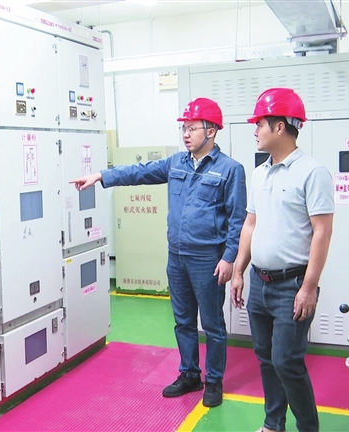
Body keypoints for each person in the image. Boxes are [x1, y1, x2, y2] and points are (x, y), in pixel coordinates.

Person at [70, 98, 247, 407]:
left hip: (208, 259)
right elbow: (139, 172)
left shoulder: (230, 170)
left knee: (213, 324)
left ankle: (214, 381)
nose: (186, 134)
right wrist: (101, 176)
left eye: (192, 128)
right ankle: (189, 374)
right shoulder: (176, 163)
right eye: (183, 128)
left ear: (211, 131)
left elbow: (237, 219)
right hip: (176, 257)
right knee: (183, 321)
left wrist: (229, 257)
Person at [230, 87, 335, 432]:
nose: (255, 130)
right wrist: (239, 270)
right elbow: (250, 224)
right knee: (266, 359)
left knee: (287, 362)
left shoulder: (313, 172)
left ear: (279, 127)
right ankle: (273, 424)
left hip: (293, 285)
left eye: (259, 123)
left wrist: (309, 288)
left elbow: (322, 232)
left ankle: (308, 428)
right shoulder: (259, 173)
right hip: (259, 282)